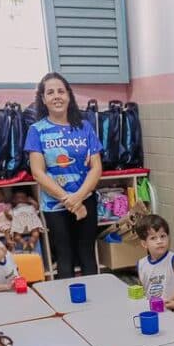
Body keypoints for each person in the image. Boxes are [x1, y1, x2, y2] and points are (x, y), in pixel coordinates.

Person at [26, 73, 102, 279]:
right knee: (64, 258)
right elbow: (38, 173)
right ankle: (67, 308)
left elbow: (96, 168)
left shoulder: (85, 127)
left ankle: (96, 306)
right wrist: (69, 200)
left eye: (61, 91)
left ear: (69, 95)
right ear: (43, 99)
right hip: (54, 205)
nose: (56, 96)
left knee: (87, 256)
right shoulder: (36, 130)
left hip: (86, 199)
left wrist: (78, 197)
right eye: (50, 92)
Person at [135, 215, 174, 306]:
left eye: (163, 236)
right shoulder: (141, 264)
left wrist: (169, 302)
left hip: (172, 309)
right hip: (152, 309)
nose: (159, 241)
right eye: (153, 238)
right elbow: (143, 289)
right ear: (144, 244)